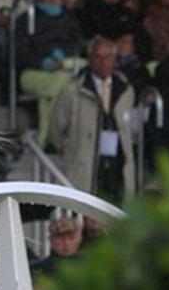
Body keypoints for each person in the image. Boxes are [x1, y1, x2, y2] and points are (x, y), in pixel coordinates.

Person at [49, 36, 136, 203]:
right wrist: (73, 151)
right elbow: (56, 130)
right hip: (85, 166)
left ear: (114, 60)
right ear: (89, 60)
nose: (102, 62)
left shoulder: (126, 90)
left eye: (107, 57)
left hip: (117, 165)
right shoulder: (72, 91)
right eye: (97, 57)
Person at [17, 0, 84, 144]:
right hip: (33, 72)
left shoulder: (70, 18)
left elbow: (77, 44)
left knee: (65, 80)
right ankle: (52, 136)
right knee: (65, 82)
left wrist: (63, 59)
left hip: (65, 68)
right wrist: (45, 63)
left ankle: (46, 136)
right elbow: (22, 51)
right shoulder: (26, 19)